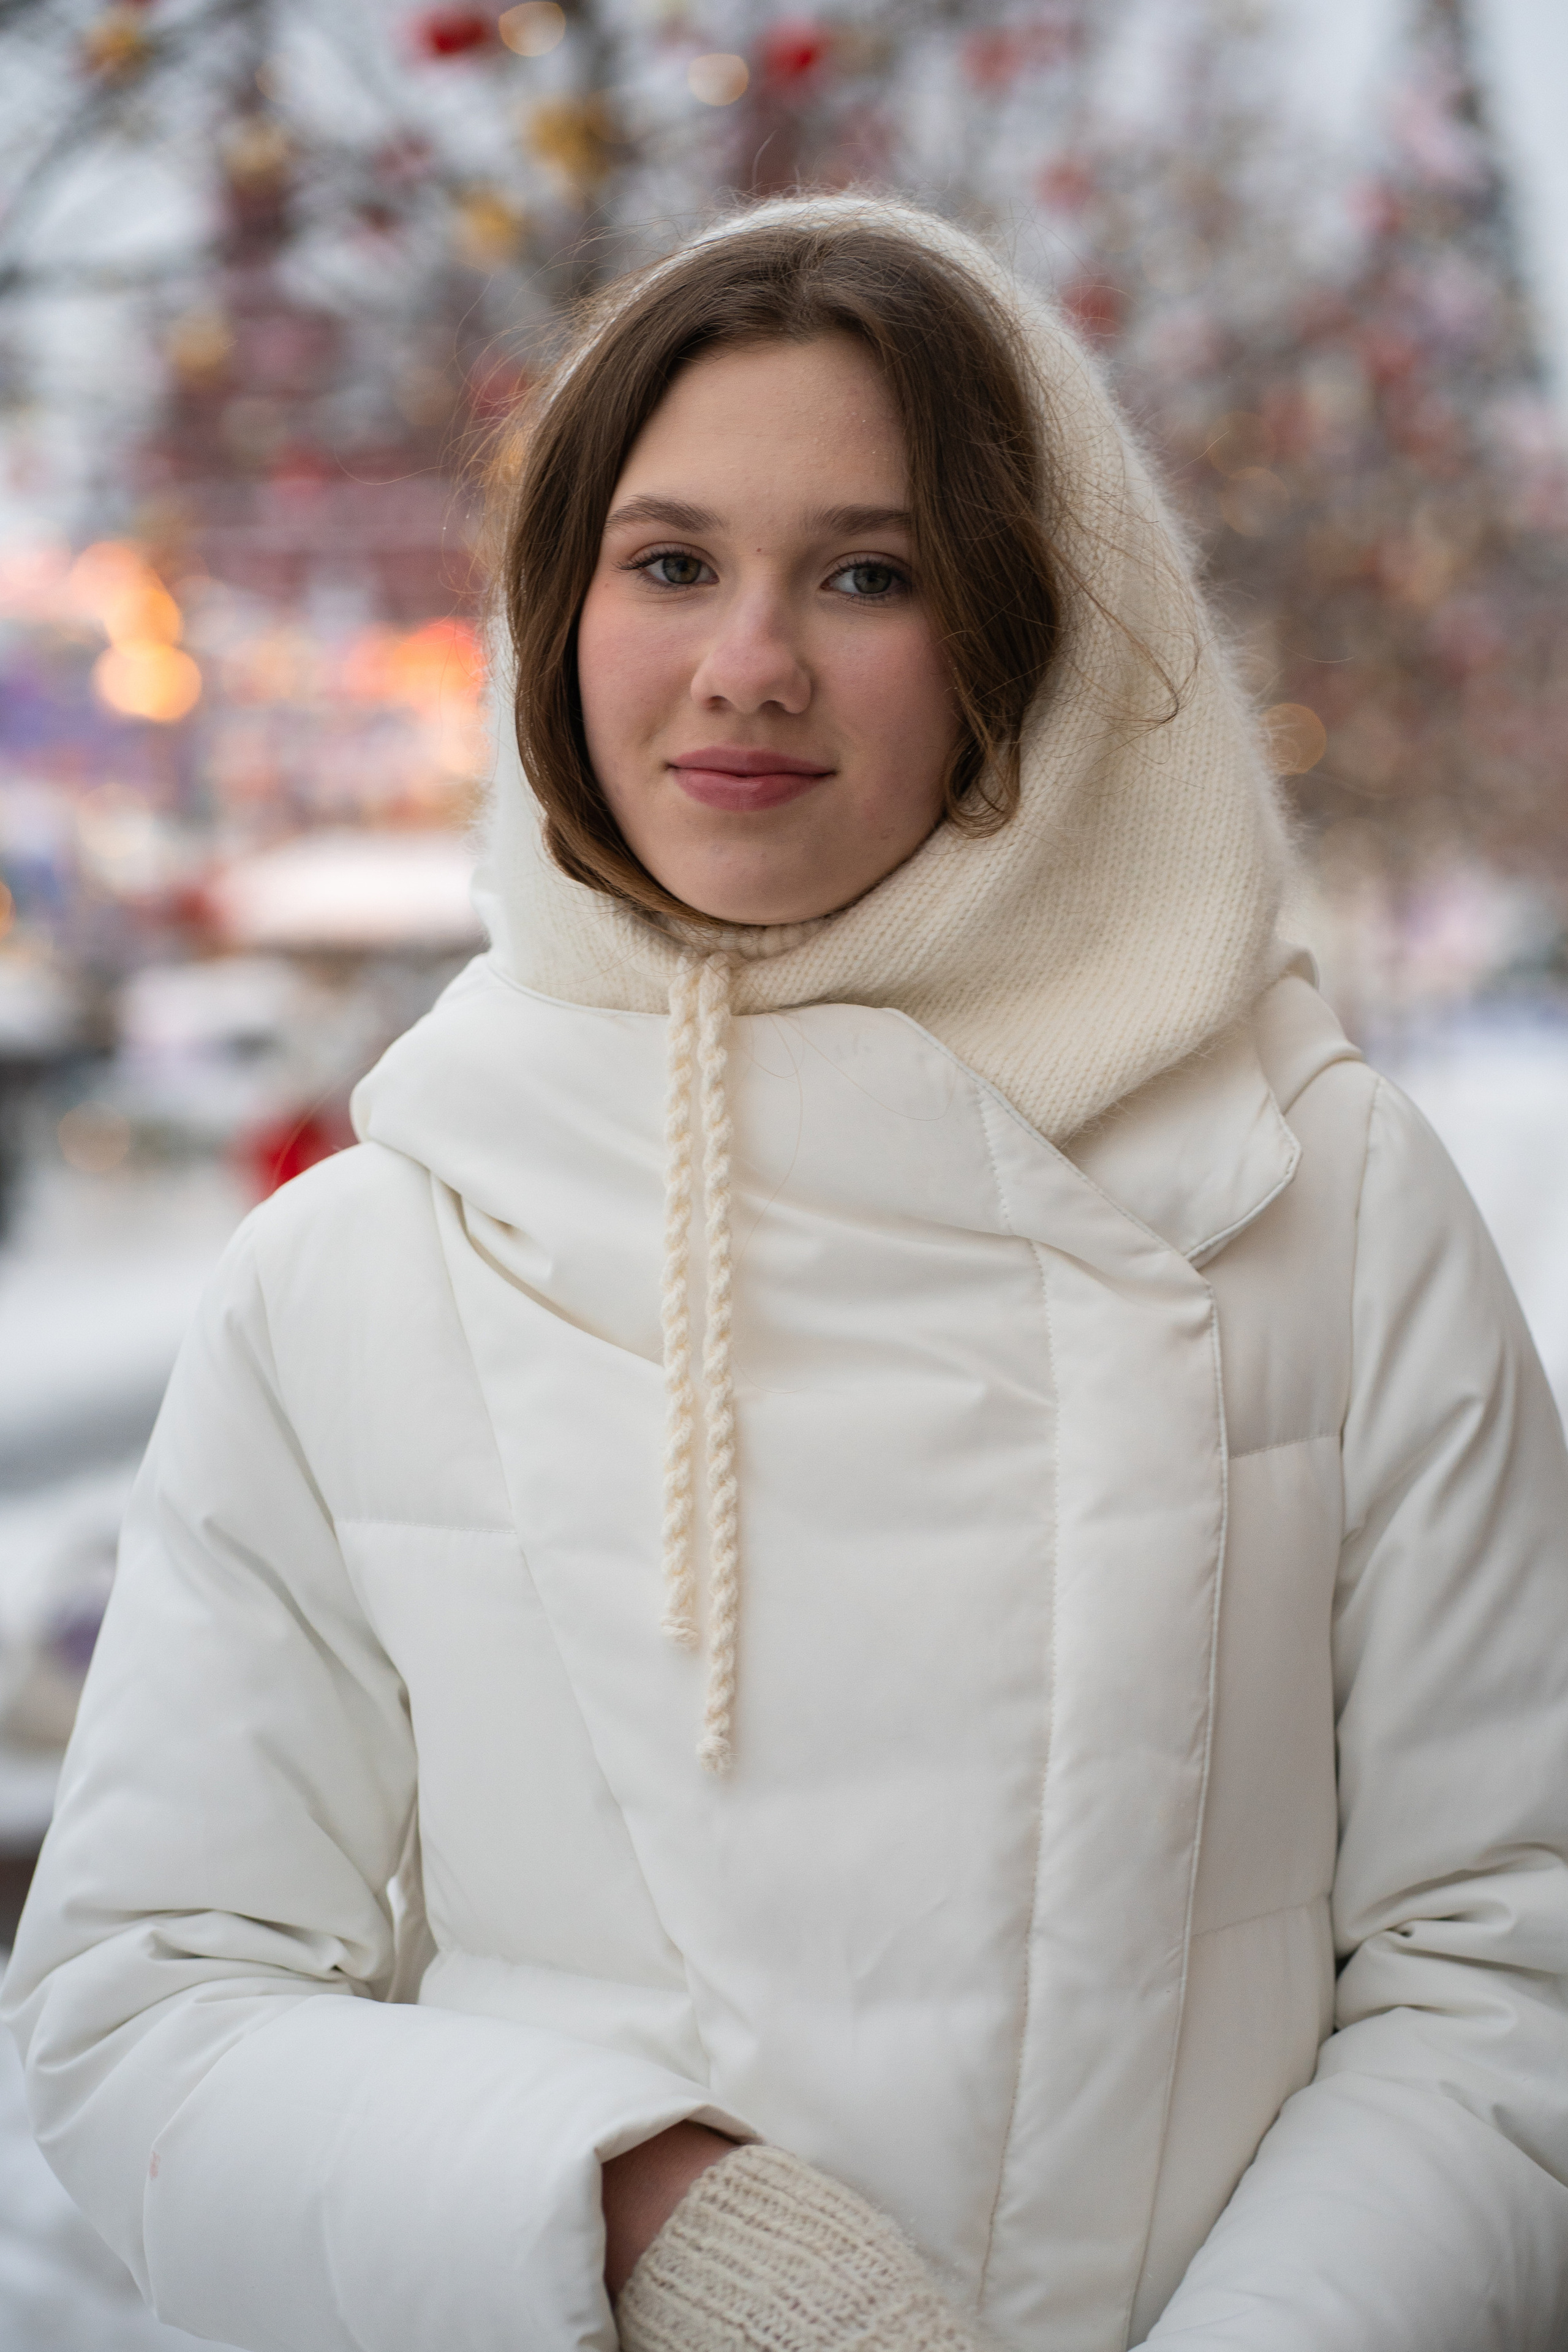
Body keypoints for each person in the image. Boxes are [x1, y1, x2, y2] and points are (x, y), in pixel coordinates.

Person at [5, 195, 1568, 2352]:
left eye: (867, 570)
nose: (750, 658)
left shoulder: (1325, 1204)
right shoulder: (362, 1261)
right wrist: (645, 2224)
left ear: (1018, 629)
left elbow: (1509, 1961)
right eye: (668, 564)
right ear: (558, 622)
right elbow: (139, 2003)